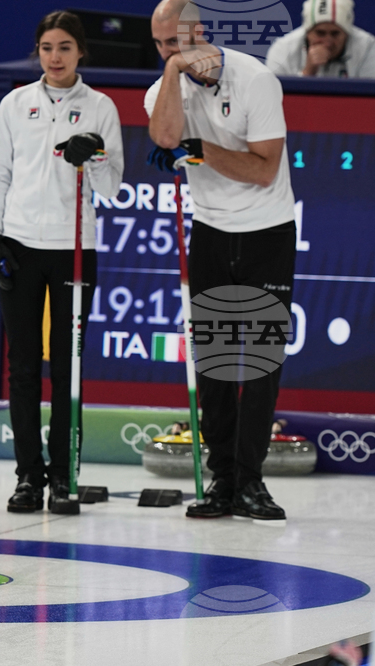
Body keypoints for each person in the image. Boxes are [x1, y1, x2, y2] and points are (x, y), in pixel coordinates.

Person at [146, 0, 297, 521]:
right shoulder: (164, 86)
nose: (171, 52)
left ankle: (253, 482)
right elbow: (164, 138)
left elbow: (262, 169)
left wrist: (201, 149)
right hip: (210, 231)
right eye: (161, 44)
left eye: (178, 42)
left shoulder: (256, 80)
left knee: (258, 364)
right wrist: (172, 71)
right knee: (211, 363)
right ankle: (222, 480)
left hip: (266, 232)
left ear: (200, 33)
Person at [0, 10, 123, 514]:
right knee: (22, 367)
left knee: (69, 367)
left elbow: (113, 187)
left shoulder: (101, 106)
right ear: (37, 53)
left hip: (74, 248)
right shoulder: (15, 103)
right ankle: (28, 477)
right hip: (18, 244)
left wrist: (97, 155)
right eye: (47, 48)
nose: (56, 57)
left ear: (81, 51)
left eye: (65, 47)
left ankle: (63, 476)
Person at [266, 0, 375, 79]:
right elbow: (274, 99)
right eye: (320, 33)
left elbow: (370, 99)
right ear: (307, 32)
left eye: (335, 34)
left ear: (346, 33)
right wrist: (308, 72)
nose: (328, 42)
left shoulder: (368, 47)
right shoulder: (283, 50)